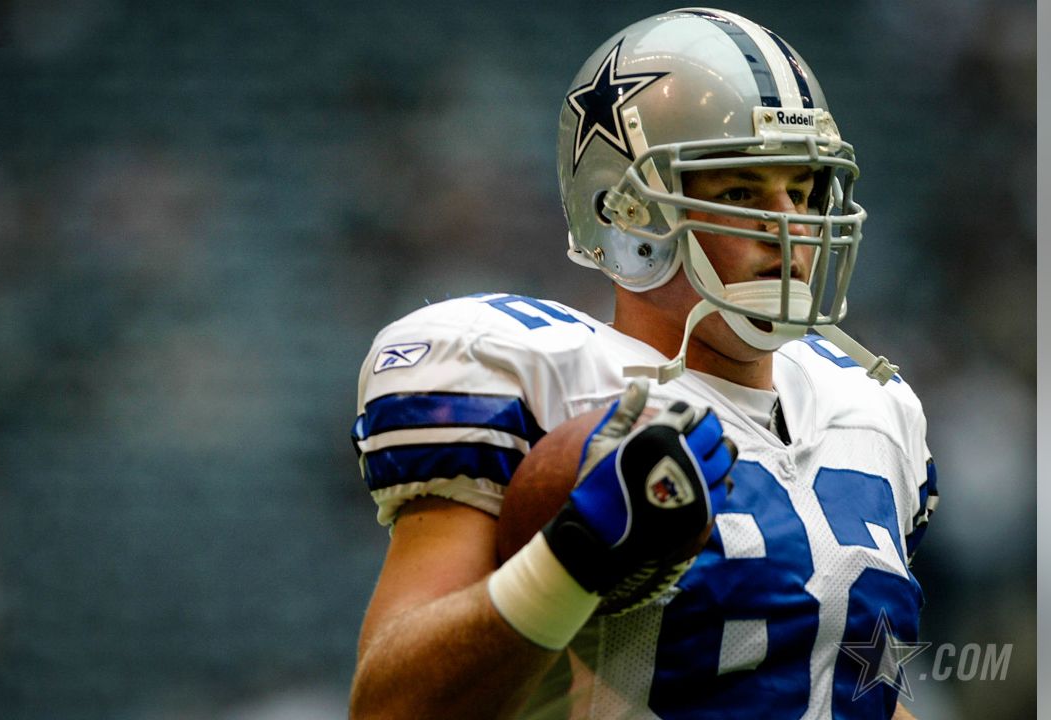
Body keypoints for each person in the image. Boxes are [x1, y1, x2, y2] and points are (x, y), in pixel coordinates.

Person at [348, 8, 938, 719]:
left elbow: (855, 687)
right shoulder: (539, 379)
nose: (793, 229)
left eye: (804, 191)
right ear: (628, 215)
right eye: (741, 192)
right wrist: (570, 562)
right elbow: (389, 707)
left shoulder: (872, 410)